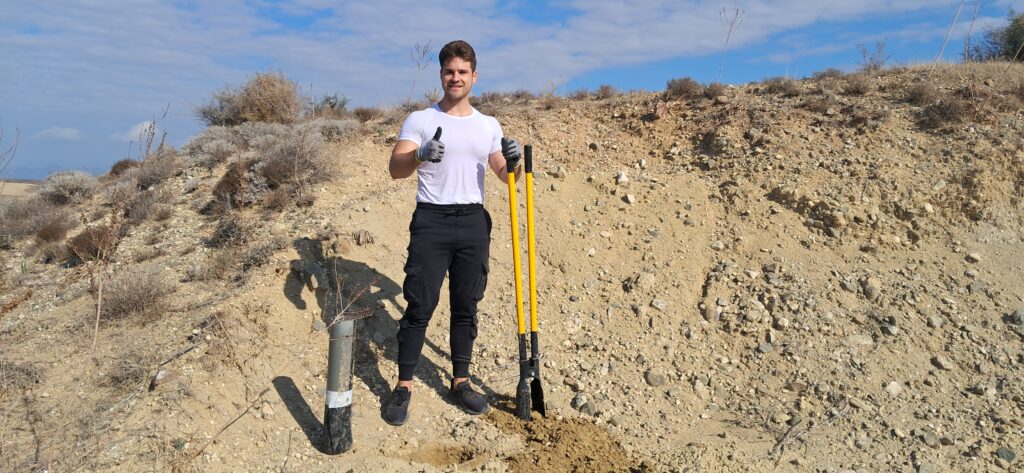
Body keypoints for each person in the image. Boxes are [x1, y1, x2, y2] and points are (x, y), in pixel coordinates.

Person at [384, 40, 522, 426]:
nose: (455, 78)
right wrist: (419, 154)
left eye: (463, 72)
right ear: (441, 75)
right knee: (419, 306)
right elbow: (396, 169)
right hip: (431, 221)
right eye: (449, 71)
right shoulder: (420, 120)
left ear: (474, 76)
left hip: (473, 222)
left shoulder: (488, 125)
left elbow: (503, 173)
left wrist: (513, 160)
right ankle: (404, 384)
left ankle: (460, 380)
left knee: (466, 305)